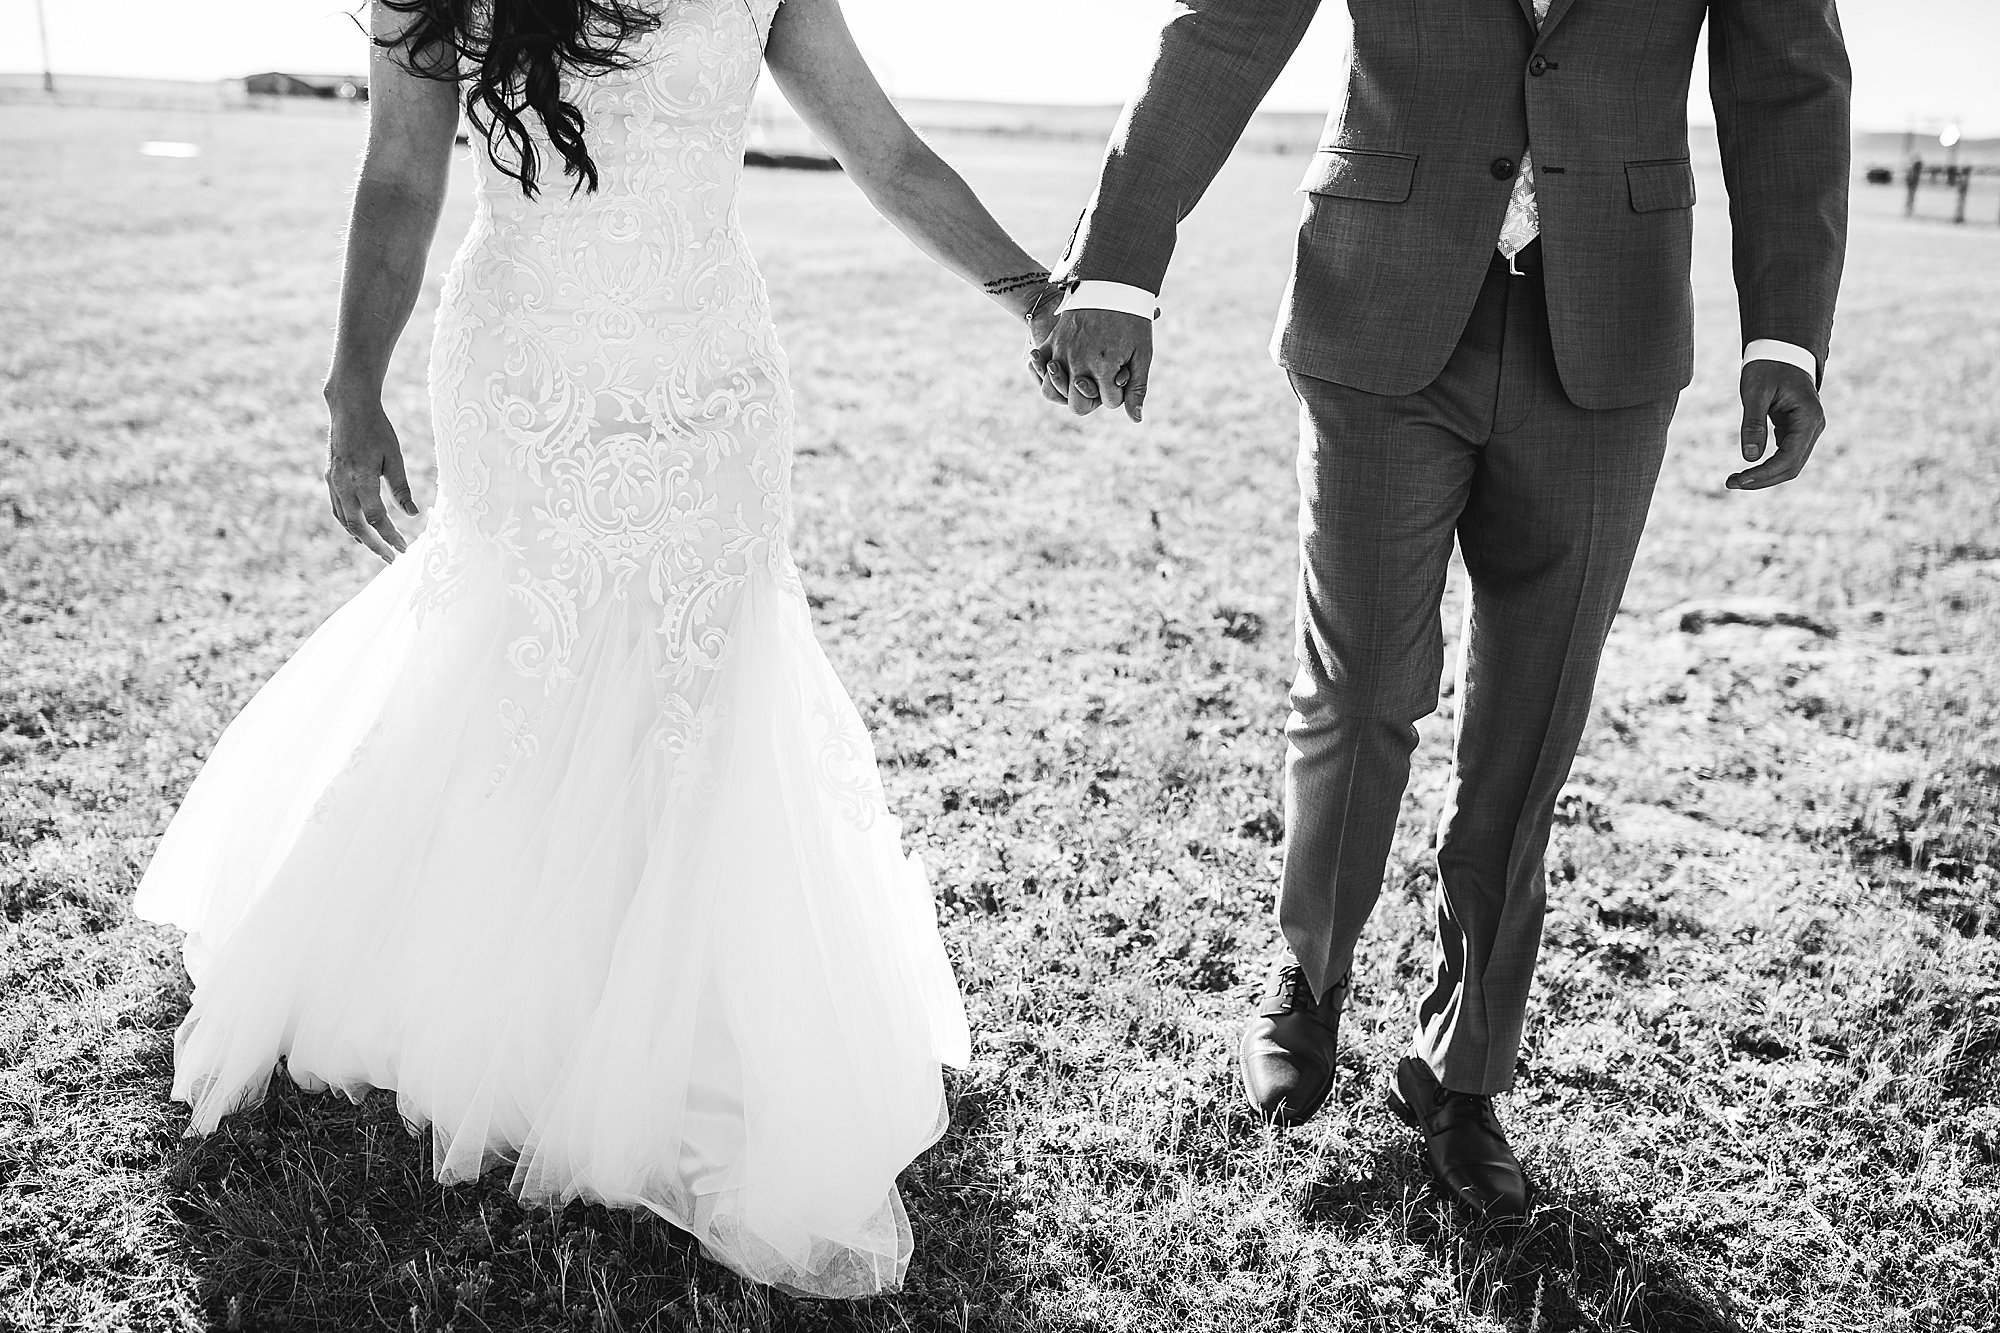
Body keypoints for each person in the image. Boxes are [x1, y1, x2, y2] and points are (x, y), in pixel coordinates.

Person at [133, 0, 1061, 1298]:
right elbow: (399, 170)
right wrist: (353, 387)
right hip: (531, 377)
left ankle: (675, 1004)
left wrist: (1033, 294)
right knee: (523, 669)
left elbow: (886, 152)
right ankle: (515, 1000)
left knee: (702, 689)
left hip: (711, 381)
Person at [1033, 0, 1850, 1221]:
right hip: (1378, 302)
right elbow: (1221, 29)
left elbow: (1785, 76)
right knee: (1358, 683)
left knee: (1532, 718)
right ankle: (1306, 983)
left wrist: (1783, 331)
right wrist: (1117, 266)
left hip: (1608, 328)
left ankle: (1461, 1074)